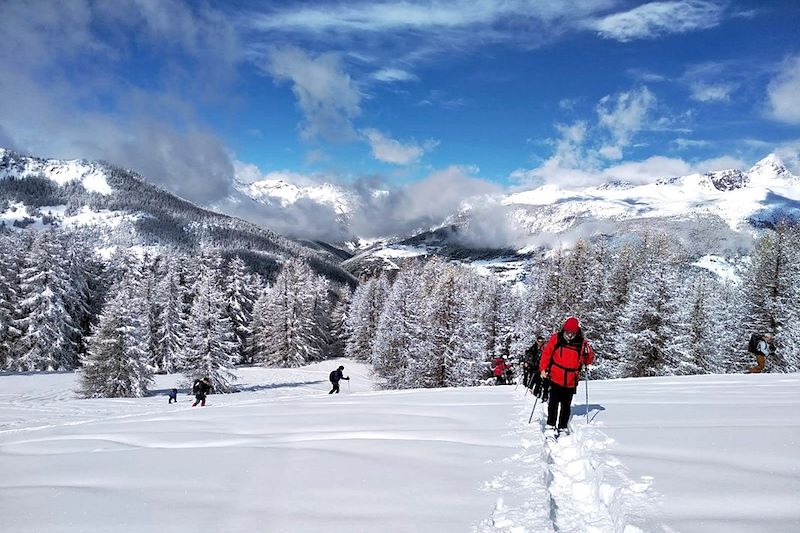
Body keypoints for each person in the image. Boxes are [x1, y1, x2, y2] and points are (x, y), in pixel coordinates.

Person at [539, 316, 594, 438]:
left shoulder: (581, 343)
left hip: (571, 379)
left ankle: (563, 427)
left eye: (572, 333)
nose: (570, 335)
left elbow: (587, 360)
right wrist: (543, 369)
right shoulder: (556, 338)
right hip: (555, 376)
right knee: (553, 403)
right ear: (564, 330)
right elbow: (547, 354)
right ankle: (550, 425)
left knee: (566, 405)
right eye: (568, 332)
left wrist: (588, 352)